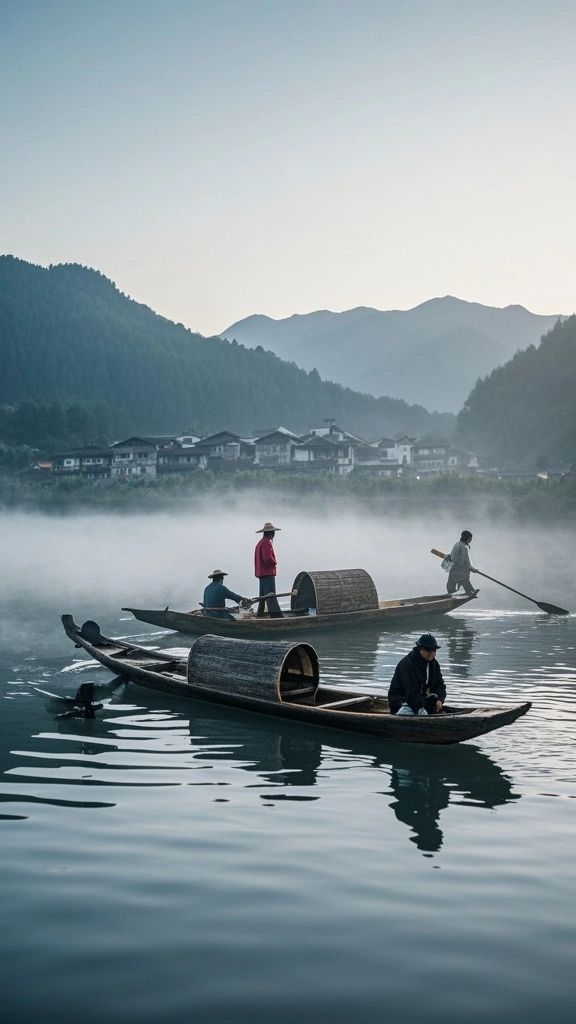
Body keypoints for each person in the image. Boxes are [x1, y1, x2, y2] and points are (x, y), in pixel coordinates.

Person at [388, 633, 446, 716]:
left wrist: (440, 699)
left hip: (420, 699)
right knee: (407, 711)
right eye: (427, 650)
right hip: (402, 701)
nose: (431, 653)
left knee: (433, 702)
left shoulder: (434, 665)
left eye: (433, 650)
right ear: (419, 649)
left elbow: (439, 685)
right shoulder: (408, 665)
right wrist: (421, 709)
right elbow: (411, 693)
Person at [254, 521, 283, 618]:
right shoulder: (266, 542)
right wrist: (275, 562)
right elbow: (267, 559)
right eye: (273, 532)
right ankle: (276, 616)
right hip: (267, 573)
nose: (274, 534)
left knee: (263, 597)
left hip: (261, 574)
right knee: (271, 596)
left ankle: (260, 615)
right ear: (269, 533)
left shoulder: (260, 543)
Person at [446, 529, 479, 597]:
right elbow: (465, 561)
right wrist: (472, 569)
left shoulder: (457, 544)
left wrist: (449, 556)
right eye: (470, 538)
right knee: (464, 581)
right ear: (466, 538)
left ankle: (452, 594)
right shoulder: (464, 547)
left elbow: (453, 555)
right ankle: (470, 593)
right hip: (460, 569)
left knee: (452, 583)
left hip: (454, 568)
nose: (471, 540)